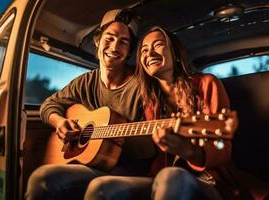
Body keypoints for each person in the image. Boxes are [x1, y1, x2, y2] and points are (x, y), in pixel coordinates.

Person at [83, 26, 240, 200]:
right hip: (159, 176)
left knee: (171, 176)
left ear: (174, 52)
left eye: (157, 45)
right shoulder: (150, 100)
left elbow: (222, 149)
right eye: (144, 50)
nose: (149, 53)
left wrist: (188, 150)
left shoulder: (206, 84)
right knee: (102, 187)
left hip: (208, 179)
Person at [25, 9, 157, 200]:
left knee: (94, 187)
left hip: (126, 169)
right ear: (98, 41)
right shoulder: (85, 82)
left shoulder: (142, 85)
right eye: (109, 38)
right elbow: (48, 105)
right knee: (41, 178)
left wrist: (115, 139)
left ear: (129, 51)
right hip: (87, 164)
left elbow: (150, 149)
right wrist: (59, 122)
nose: (114, 47)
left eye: (123, 42)